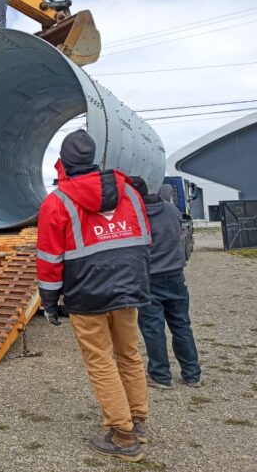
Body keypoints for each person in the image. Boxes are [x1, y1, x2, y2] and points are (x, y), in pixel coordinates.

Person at [37, 129, 152, 463]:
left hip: (86, 293)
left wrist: (49, 301)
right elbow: (145, 239)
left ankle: (122, 435)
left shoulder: (57, 202)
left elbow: (48, 259)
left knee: (101, 360)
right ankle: (138, 420)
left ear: (64, 163)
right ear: (93, 159)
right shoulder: (129, 192)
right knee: (129, 355)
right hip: (129, 288)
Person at [130, 176, 202, 389]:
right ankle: (192, 375)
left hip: (149, 279)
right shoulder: (172, 211)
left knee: (153, 328)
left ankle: (160, 376)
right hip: (176, 276)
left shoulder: (136, 216)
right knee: (181, 325)